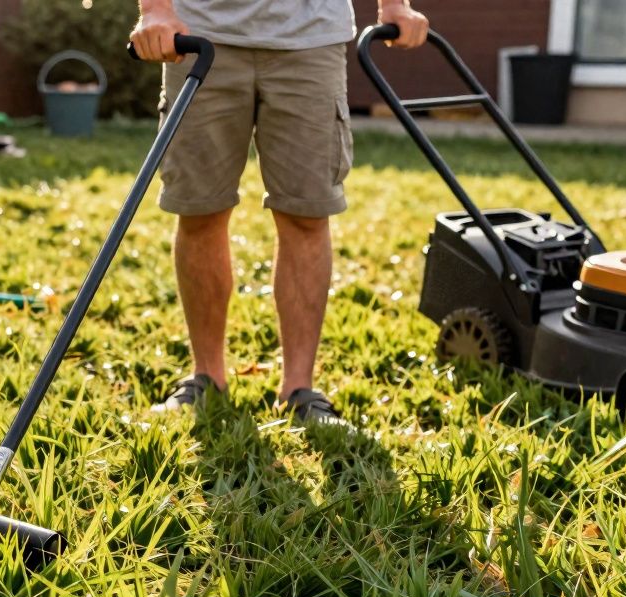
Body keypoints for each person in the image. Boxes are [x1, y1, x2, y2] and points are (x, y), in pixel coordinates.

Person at [131, 0, 429, 423]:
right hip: (198, 35)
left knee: (307, 214)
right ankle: (206, 378)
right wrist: (156, 9)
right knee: (199, 211)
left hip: (311, 39)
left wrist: (395, 5)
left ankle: (299, 390)